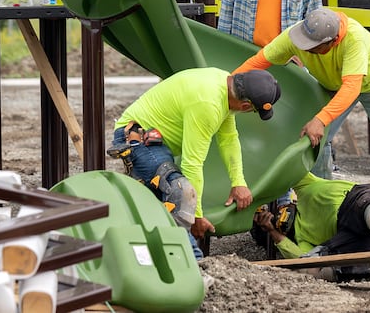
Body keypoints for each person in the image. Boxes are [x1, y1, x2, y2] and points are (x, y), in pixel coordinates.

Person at [234, 7, 370, 222]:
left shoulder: (353, 40)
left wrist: (320, 119)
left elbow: (351, 88)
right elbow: (258, 62)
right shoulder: (297, 36)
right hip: (335, 82)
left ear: (333, 41)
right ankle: (326, 202)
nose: (306, 50)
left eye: (313, 47)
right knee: (316, 140)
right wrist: (229, 85)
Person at [107, 67, 281, 255]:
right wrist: (196, 216)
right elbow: (192, 164)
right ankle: (195, 263)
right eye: (253, 111)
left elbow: (229, 138)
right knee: (180, 192)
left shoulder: (223, 83)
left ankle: (152, 255)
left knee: (159, 204)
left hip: (153, 141)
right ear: (245, 106)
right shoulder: (208, 104)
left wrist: (238, 182)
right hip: (137, 138)